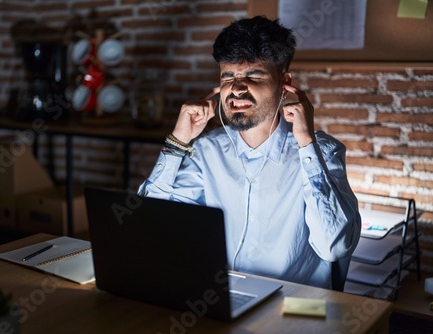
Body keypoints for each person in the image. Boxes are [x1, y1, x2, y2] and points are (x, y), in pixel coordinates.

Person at [138, 16, 361, 289]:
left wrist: (305, 140)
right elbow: (150, 225)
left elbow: (335, 247)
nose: (237, 88)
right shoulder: (207, 150)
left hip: (291, 314)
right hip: (218, 302)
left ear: (284, 82)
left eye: (253, 75)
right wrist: (177, 142)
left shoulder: (320, 152)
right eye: (228, 76)